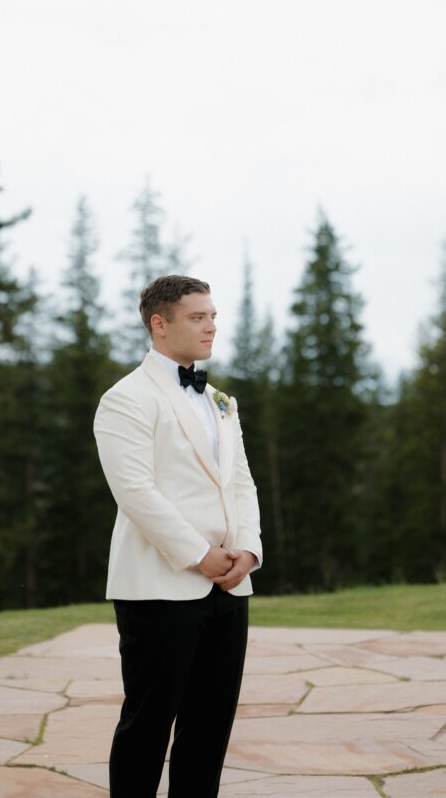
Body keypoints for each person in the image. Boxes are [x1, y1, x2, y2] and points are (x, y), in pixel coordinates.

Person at [93, 274, 263, 798]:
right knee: (147, 727)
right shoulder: (126, 399)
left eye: (213, 315)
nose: (211, 325)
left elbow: (240, 481)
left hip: (229, 587)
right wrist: (199, 555)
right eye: (198, 316)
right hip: (159, 587)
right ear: (159, 324)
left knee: (209, 730)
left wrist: (249, 552)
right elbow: (136, 494)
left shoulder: (219, 400)